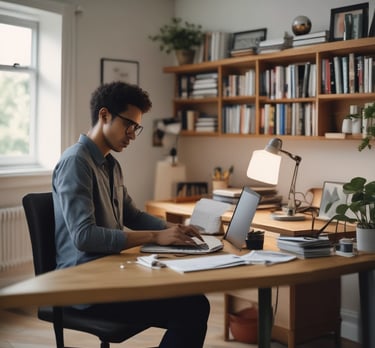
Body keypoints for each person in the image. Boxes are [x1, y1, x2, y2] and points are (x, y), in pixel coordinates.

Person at [52, 81, 210, 348]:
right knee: (192, 307)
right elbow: (84, 236)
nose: (133, 135)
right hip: (85, 289)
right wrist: (157, 236)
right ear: (104, 115)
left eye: (136, 127)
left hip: (111, 276)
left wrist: (172, 229)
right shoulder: (76, 162)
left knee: (191, 298)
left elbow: (132, 214)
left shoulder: (111, 164)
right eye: (129, 124)